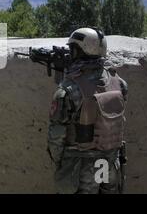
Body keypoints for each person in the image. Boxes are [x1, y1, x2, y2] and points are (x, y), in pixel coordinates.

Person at [47, 27, 128, 194]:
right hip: (109, 163)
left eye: (73, 49)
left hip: (82, 167)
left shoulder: (68, 90)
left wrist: (60, 162)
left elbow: (56, 135)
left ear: (80, 51)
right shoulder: (118, 83)